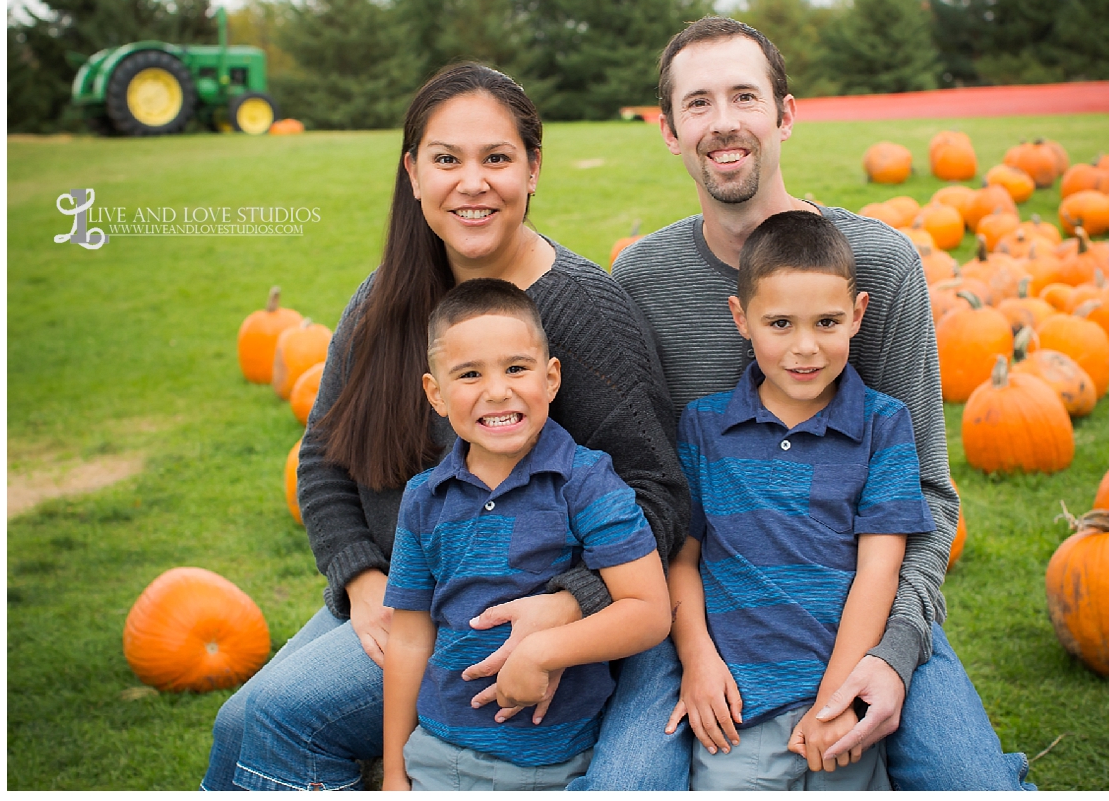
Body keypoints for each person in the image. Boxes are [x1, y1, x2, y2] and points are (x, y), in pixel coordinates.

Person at [200, 62, 690, 791]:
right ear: (413, 172)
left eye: (496, 158)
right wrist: (361, 579)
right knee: (242, 719)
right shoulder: (383, 303)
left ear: (532, 168)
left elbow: (658, 493)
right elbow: (323, 460)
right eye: (446, 159)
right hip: (404, 594)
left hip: (511, 610)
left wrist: (568, 602)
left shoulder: (584, 313)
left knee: (276, 716)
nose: (472, 182)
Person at [611, 16, 1036, 790]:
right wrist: (688, 648)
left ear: (785, 114)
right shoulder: (642, 278)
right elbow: (655, 498)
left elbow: (929, 498)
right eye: (698, 104)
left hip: (854, 604)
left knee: (973, 783)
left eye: (745, 96)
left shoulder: (878, 262)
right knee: (623, 785)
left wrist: (893, 652)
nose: (725, 122)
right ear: (670, 132)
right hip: (705, 612)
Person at [668, 211, 936, 790]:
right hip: (737, 711)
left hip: (843, 705)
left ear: (858, 315)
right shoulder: (703, 426)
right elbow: (681, 558)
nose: (805, 347)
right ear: (742, 319)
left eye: (827, 322)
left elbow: (879, 569)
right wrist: (697, 658)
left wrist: (835, 700)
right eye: (781, 323)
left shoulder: (883, 425)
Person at [381, 278, 671, 791]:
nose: (498, 390)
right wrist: (393, 770)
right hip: (436, 758)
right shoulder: (424, 498)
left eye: (516, 368)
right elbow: (407, 637)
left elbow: (648, 612)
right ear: (437, 394)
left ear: (551, 378)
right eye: (469, 374)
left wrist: (542, 652)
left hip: (553, 767)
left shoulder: (585, 481)